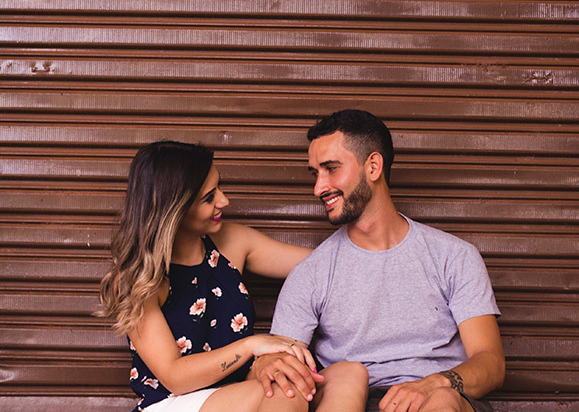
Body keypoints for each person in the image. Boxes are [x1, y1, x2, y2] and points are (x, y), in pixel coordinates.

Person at [254, 111, 506, 412]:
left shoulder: (454, 256)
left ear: (373, 166)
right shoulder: (311, 274)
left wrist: (435, 383)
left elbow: (491, 363)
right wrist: (265, 364)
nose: (319, 187)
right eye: (315, 173)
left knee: (442, 402)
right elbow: (276, 360)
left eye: (331, 169)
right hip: (358, 402)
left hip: (444, 396)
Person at [98, 140, 370, 412]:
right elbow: (175, 377)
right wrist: (252, 346)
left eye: (219, 187)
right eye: (209, 197)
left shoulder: (231, 242)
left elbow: (324, 266)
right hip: (171, 403)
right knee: (285, 393)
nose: (224, 200)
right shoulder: (139, 278)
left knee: (349, 374)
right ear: (174, 210)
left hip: (238, 395)